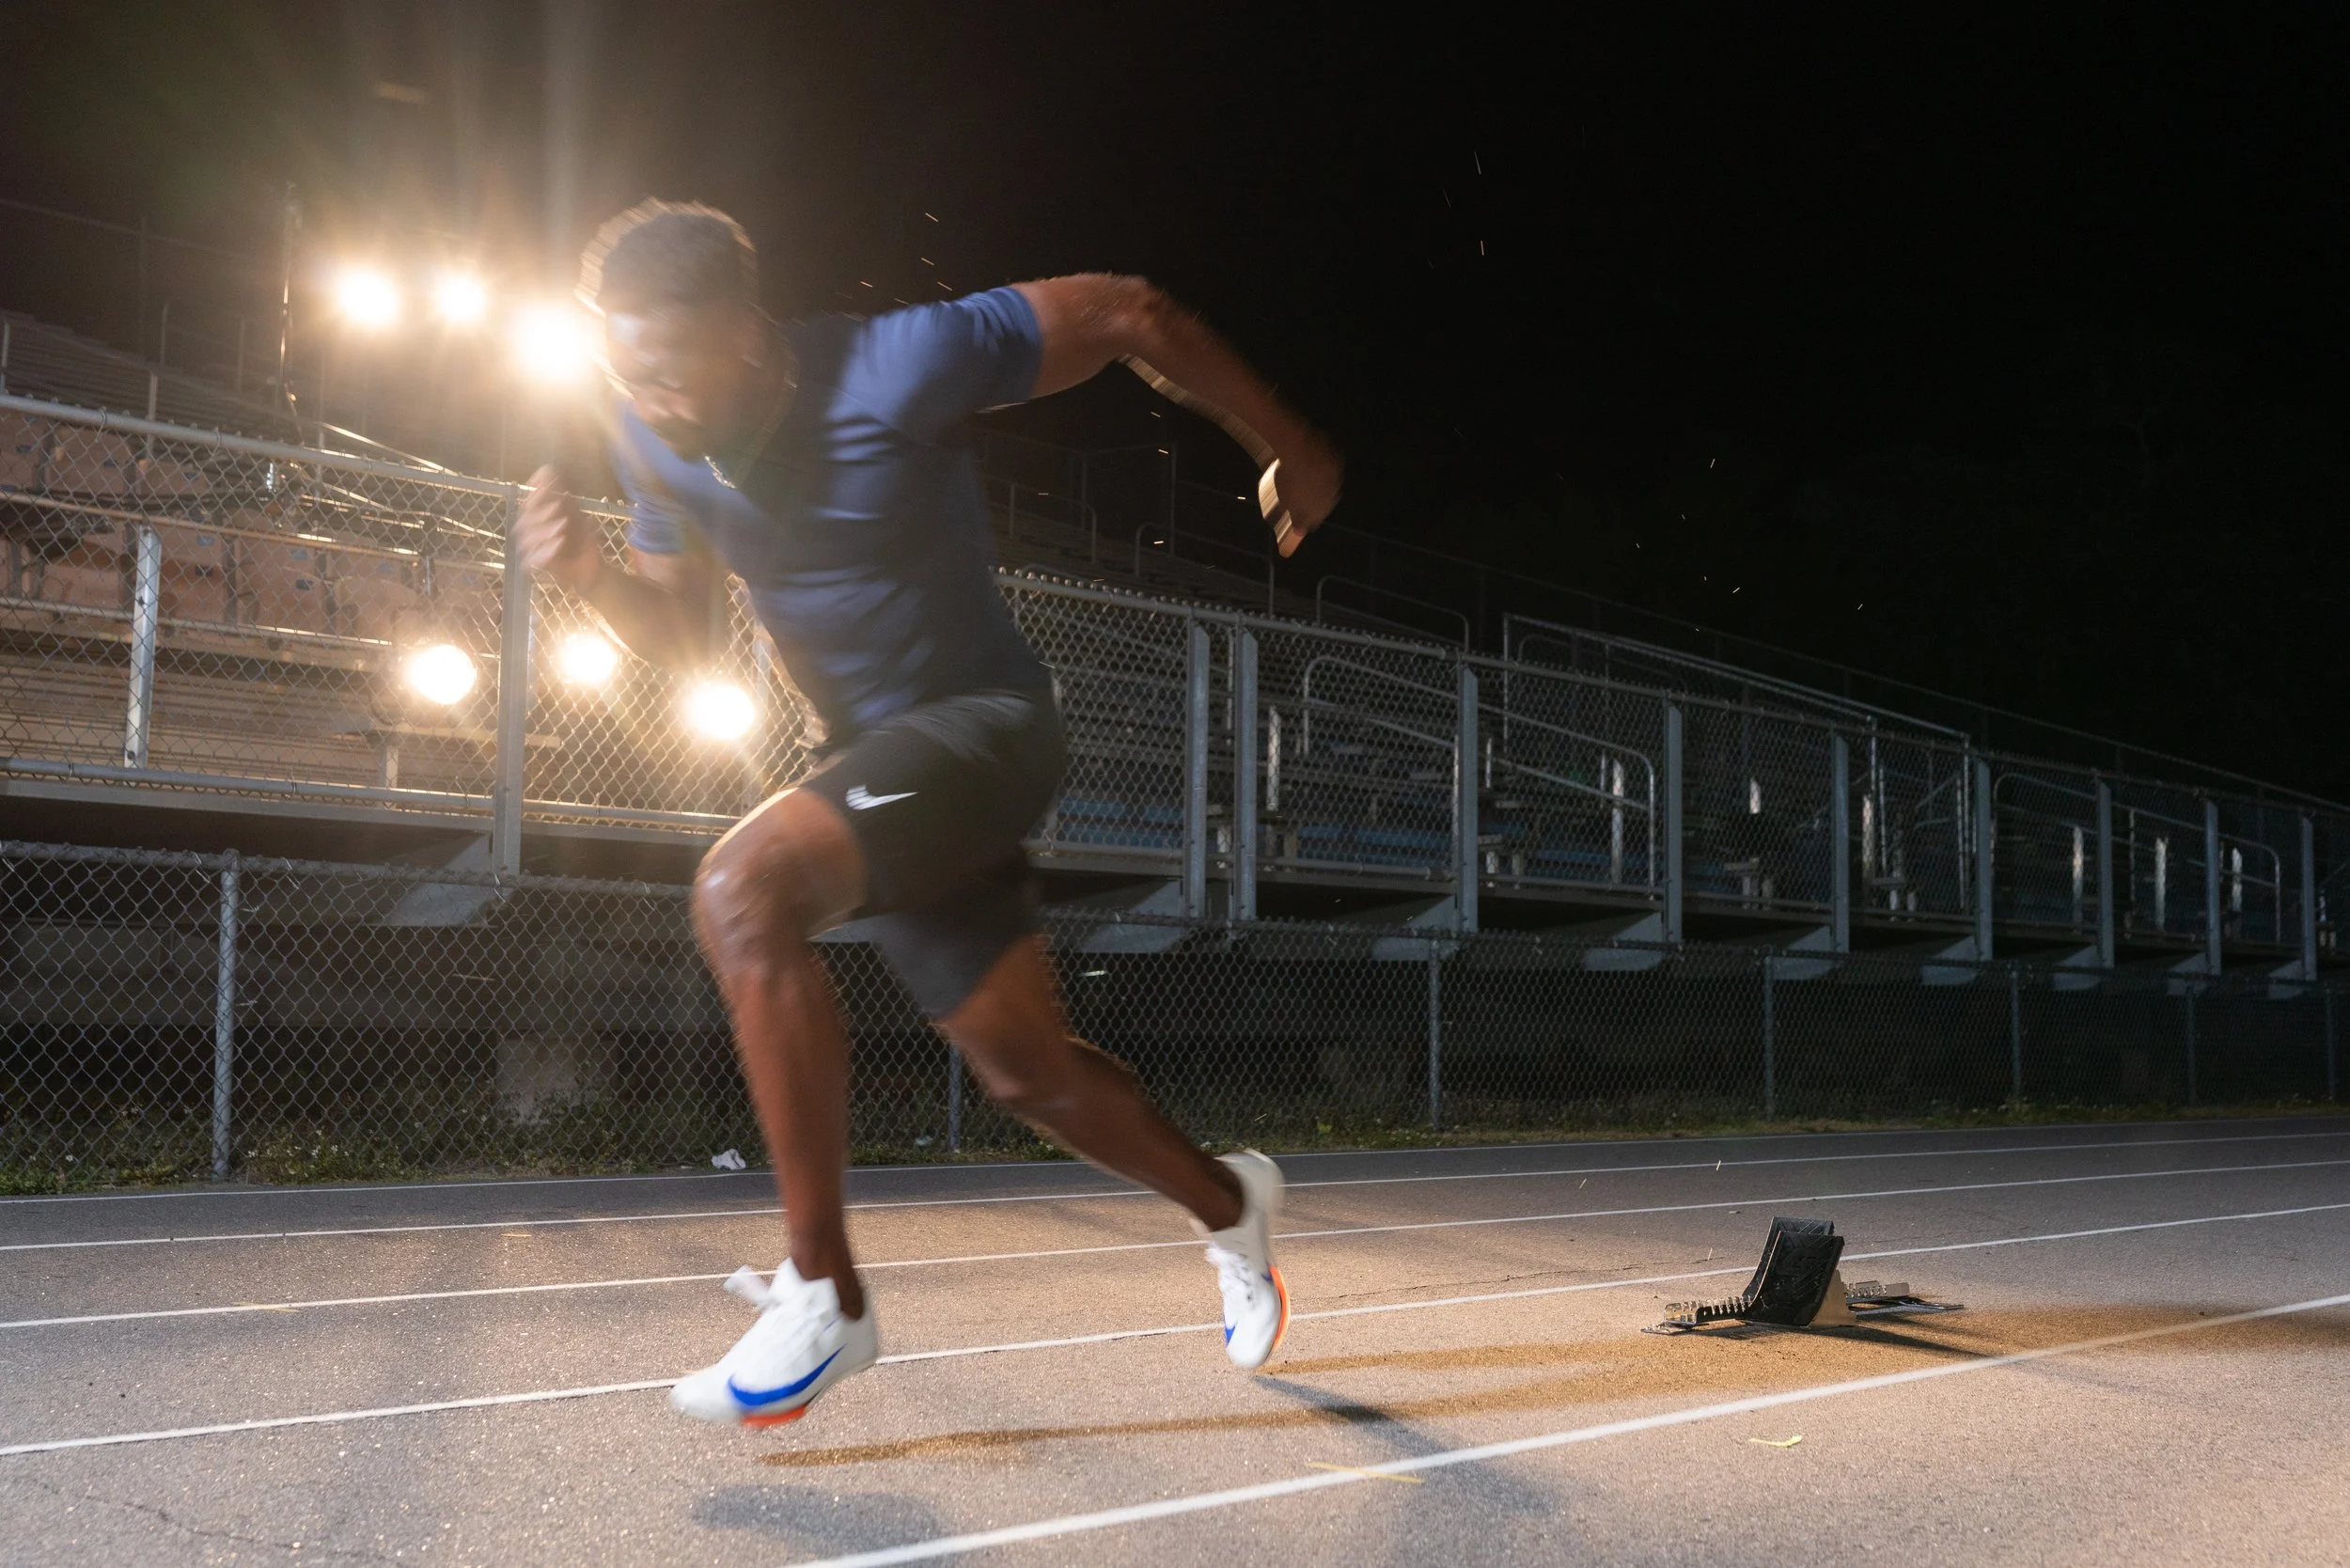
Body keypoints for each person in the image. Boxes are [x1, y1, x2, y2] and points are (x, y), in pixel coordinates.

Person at [518, 200, 1344, 1428]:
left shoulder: (895, 365)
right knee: (1028, 1073)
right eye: (619, 367)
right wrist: (590, 581)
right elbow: (681, 628)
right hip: (871, 759)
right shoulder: (646, 443)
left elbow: (1127, 311)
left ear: (745, 334)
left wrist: (1288, 444)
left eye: (668, 367)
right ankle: (1232, 1205)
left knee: (740, 893)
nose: (646, 397)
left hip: (985, 723)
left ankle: (827, 1297)